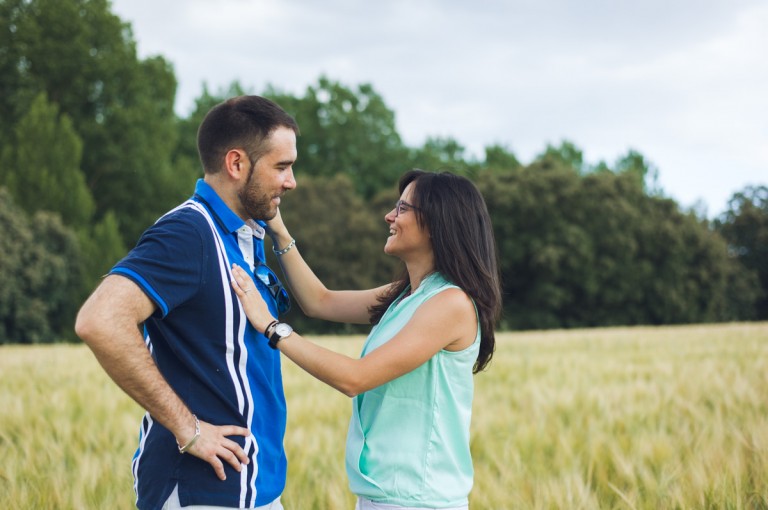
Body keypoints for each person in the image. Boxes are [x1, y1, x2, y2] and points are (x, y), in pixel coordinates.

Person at [75, 95, 299, 510]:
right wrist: (188, 428)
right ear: (236, 164)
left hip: (253, 488)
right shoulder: (190, 232)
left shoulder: (245, 234)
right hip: (203, 491)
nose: (291, 181)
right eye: (282, 167)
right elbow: (100, 320)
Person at [230, 169, 502, 509]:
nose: (389, 215)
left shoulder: (451, 303)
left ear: (436, 224)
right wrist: (279, 231)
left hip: (418, 500)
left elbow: (354, 378)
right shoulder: (405, 294)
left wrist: (271, 327)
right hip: (384, 497)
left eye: (403, 209)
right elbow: (320, 301)